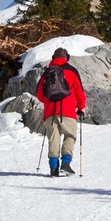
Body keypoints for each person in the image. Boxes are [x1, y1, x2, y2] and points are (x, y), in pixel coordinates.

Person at [35, 47, 87, 177]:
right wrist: (81, 107)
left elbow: (39, 95)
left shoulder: (47, 72)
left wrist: (49, 101)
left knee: (53, 139)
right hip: (67, 111)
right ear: (66, 58)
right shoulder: (71, 71)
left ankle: (53, 168)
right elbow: (80, 92)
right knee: (70, 135)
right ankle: (65, 163)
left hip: (50, 112)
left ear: (53, 58)